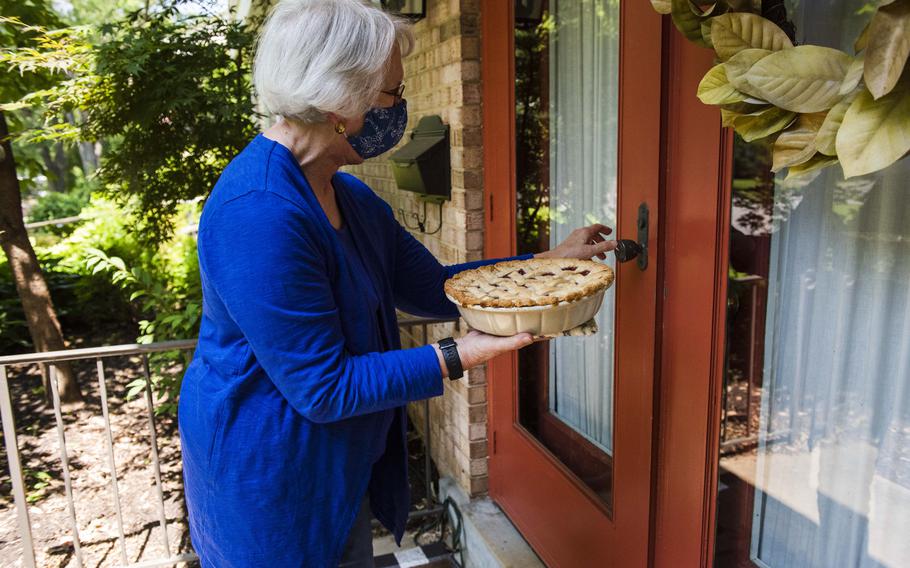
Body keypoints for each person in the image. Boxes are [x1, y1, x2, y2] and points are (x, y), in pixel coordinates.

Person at [177, 1, 616, 566]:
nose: (400, 110)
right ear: (339, 97)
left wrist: (545, 266)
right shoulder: (257, 213)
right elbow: (323, 387)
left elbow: (435, 289)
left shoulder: (350, 197)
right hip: (272, 476)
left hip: (340, 457)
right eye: (390, 95)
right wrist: (466, 351)